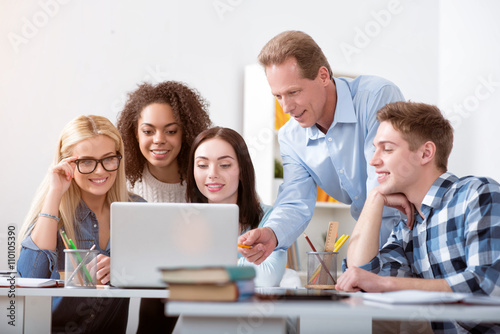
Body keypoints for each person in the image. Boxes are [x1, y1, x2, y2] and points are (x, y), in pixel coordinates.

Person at [238, 30, 407, 265]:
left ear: (323, 76)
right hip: (370, 240)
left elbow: (381, 185)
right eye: (278, 96)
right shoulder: (290, 136)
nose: (286, 107)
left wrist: (361, 263)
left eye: (293, 92)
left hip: (413, 232)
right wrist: (273, 234)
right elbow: (295, 200)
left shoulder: (376, 97)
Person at [335, 101, 500, 333]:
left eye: (388, 149)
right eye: (375, 148)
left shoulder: (477, 194)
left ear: (425, 153)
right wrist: (374, 199)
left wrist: (387, 284)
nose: (373, 160)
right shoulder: (407, 227)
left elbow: (490, 290)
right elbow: (362, 278)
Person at [17, 115, 144, 333]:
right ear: (67, 164)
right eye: (86, 161)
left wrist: (126, 269)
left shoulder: (138, 212)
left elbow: (161, 274)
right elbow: (29, 280)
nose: (100, 171)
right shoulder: (54, 213)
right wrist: (55, 191)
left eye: (108, 159)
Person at [116, 81, 211, 333]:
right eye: (148, 131)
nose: (159, 140)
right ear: (134, 134)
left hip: (195, 283)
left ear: (186, 133)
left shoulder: (204, 177)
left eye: (170, 131)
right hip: (132, 281)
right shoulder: (121, 180)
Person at [186, 127, 287, 287]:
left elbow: (267, 277)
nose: (212, 173)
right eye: (202, 165)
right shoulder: (185, 218)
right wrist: (239, 261)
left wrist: (204, 262)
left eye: (225, 165)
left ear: (242, 170)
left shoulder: (269, 218)